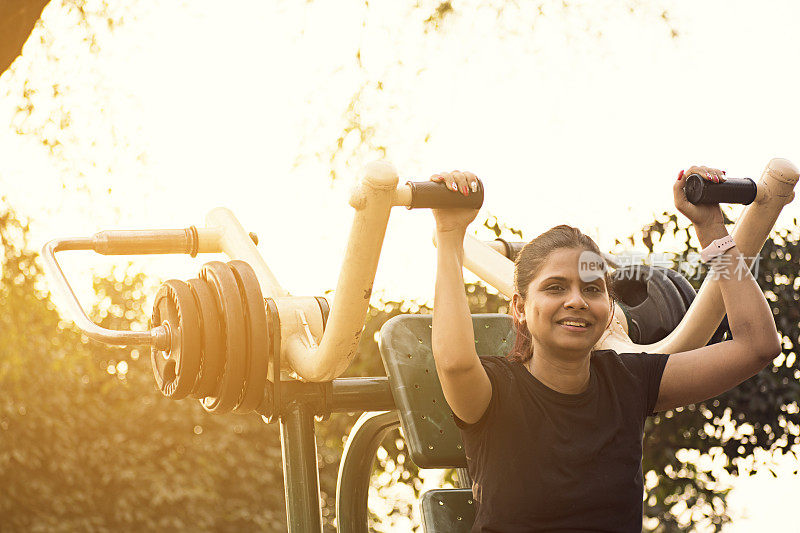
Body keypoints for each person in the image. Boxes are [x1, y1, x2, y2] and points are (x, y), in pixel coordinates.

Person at [429, 167, 782, 532]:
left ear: (609, 307)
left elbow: (756, 345)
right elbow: (454, 363)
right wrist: (450, 234)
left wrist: (712, 229)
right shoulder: (495, 392)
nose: (577, 301)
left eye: (593, 289)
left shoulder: (628, 380)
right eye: (555, 288)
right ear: (519, 307)